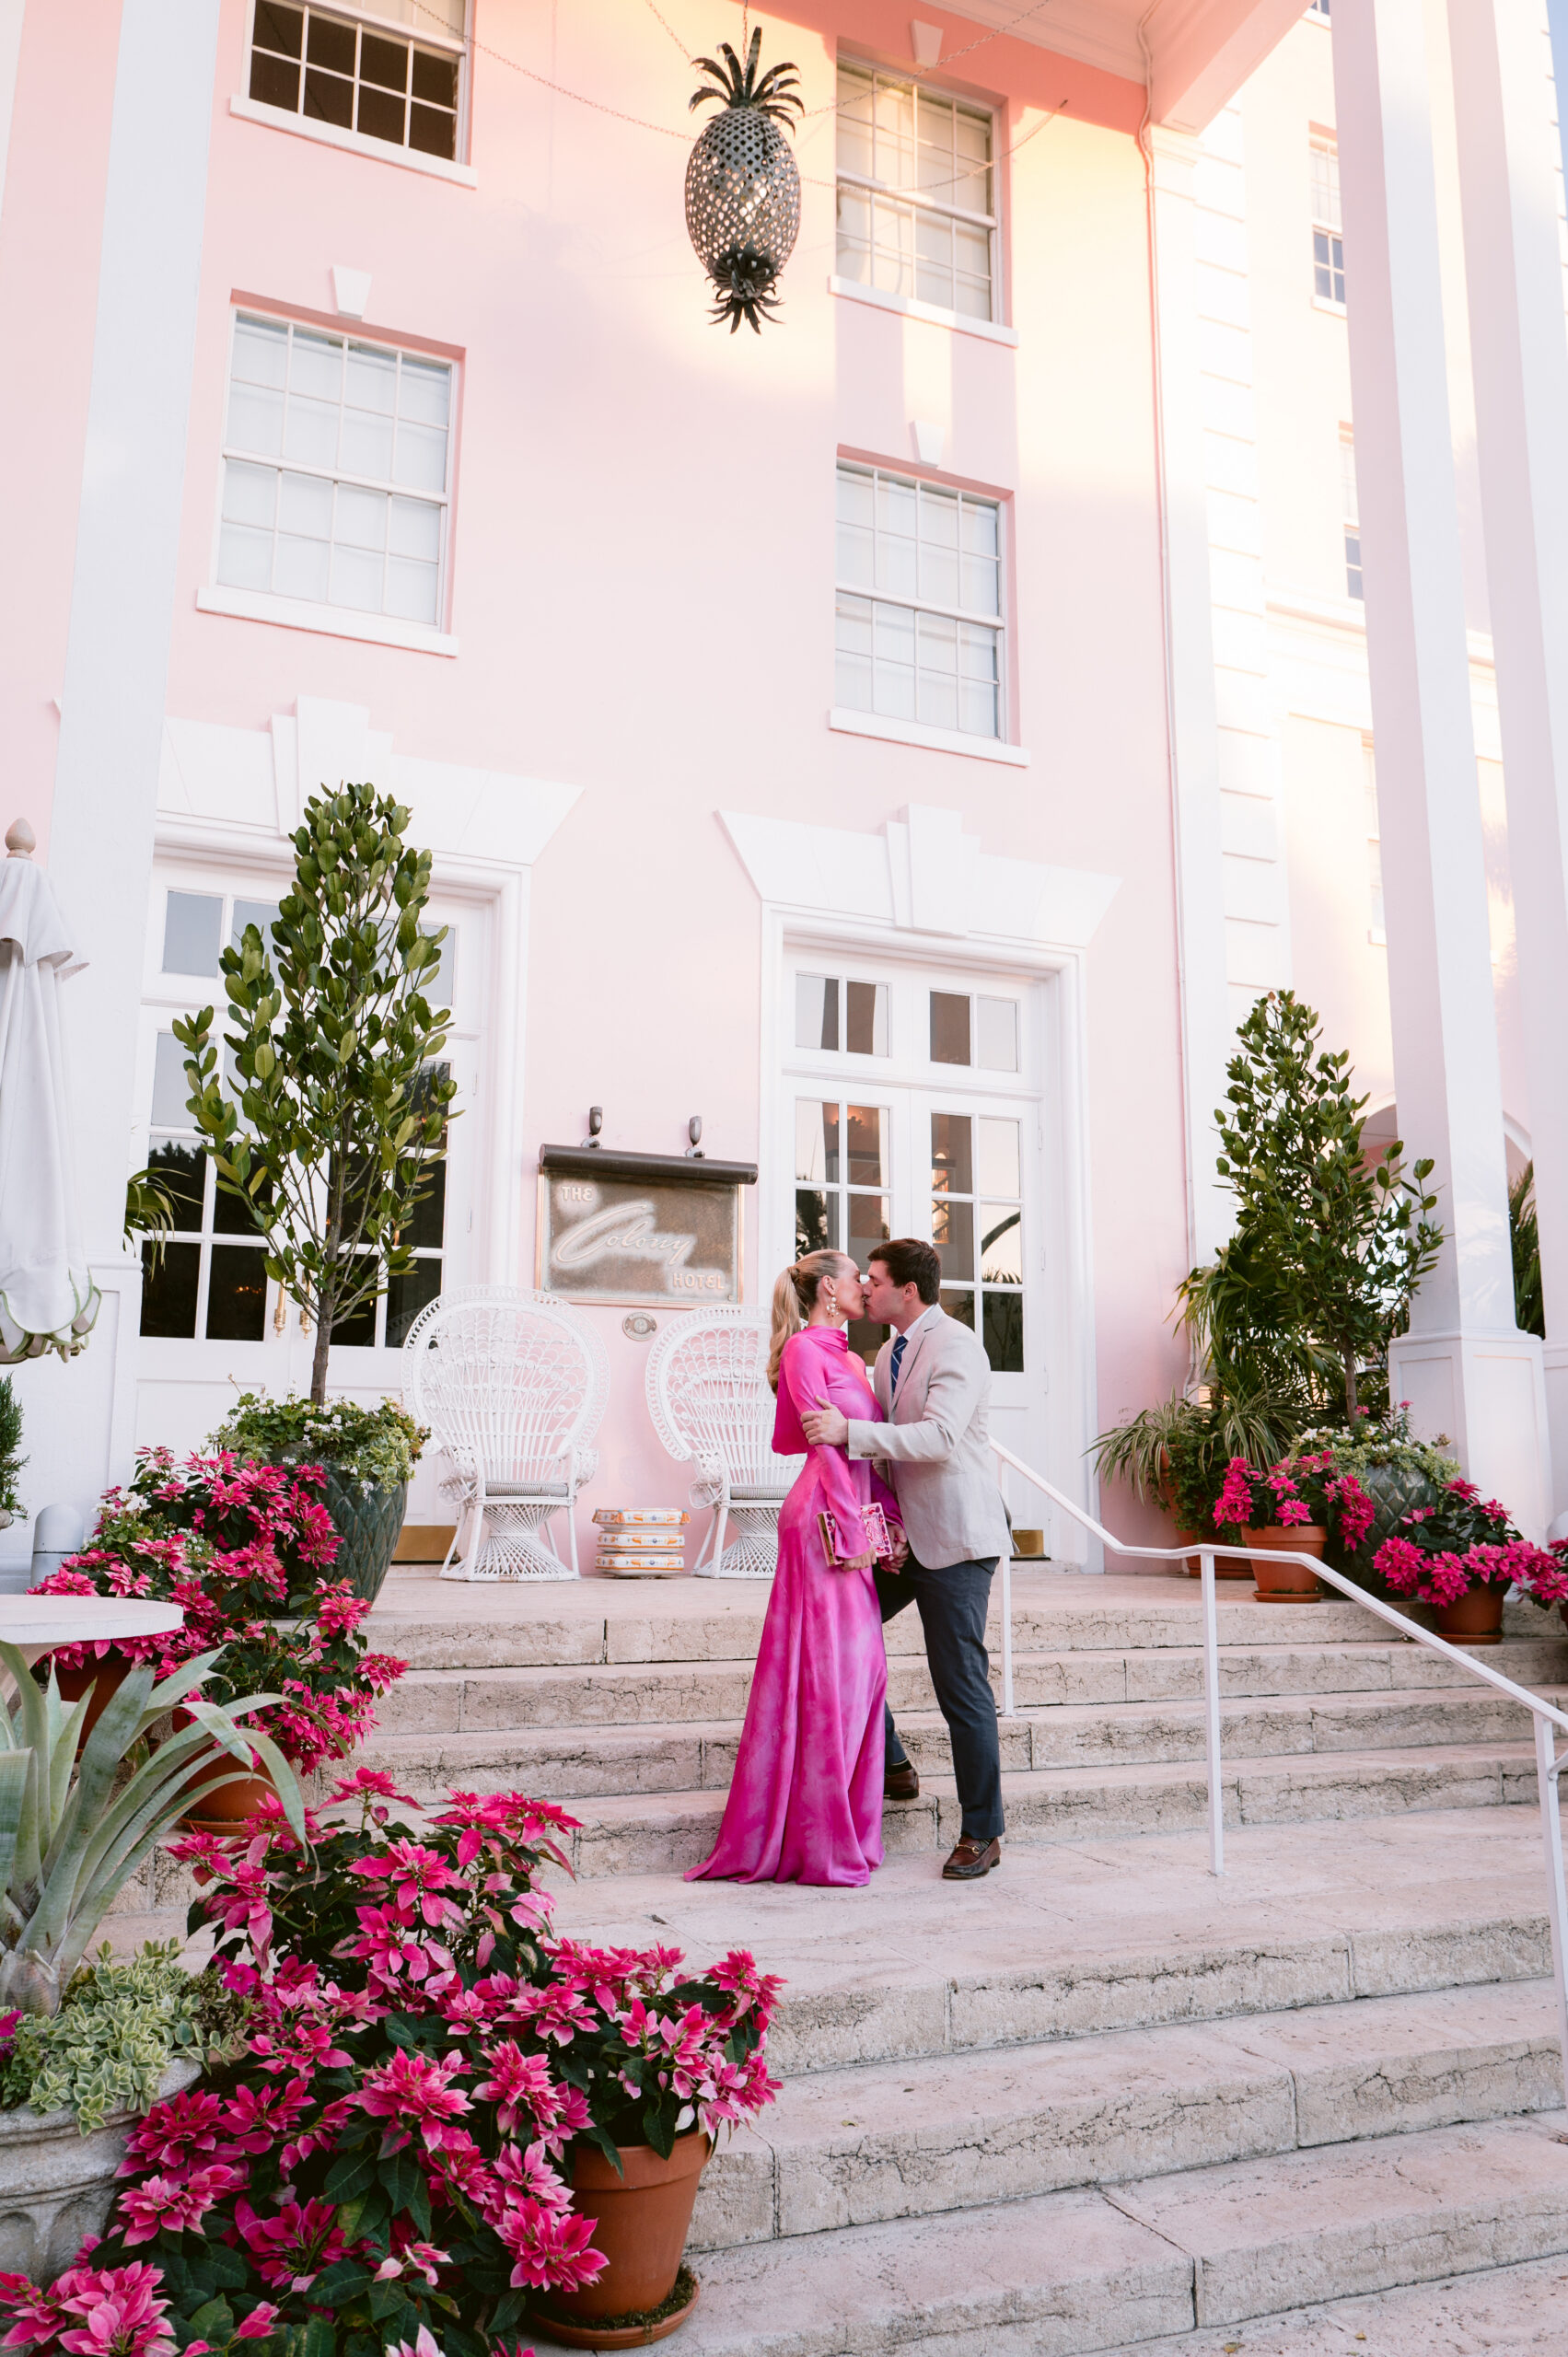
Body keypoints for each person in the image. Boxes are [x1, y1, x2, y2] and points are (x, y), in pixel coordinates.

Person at [686, 1248, 903, 1888]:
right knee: (829, 1677)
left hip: (849, 1518)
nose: (866, 1286)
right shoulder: (806, 1351)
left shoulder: (848, 1358)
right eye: (856, 1278)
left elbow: (862, 1451)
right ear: (829, 1290)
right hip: (821, 1525)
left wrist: (887, 1521)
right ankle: (814, 1836)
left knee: (861, 1675)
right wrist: (853, 1530)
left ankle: (848, 1829)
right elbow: (819, 1446)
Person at [800, 1238, 1011, 1882]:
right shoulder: (889, 1349)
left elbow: (941, 1439)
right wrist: (885, 1529)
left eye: (876, 1280)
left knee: (960, 1687)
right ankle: (894, 1765)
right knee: (843, 1637)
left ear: (908, 1292)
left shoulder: (955, 1344)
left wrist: (848, 1433)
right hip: (904, 1540)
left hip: (956, 1538)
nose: (865, 1289)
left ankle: (983, 1831)